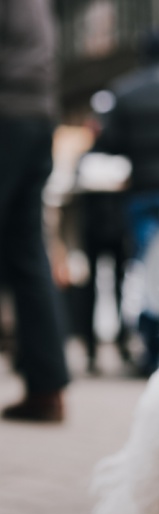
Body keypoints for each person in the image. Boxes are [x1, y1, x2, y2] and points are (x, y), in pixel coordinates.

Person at [93, 32, 159, 376]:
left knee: (147, 271)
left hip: (141, 193)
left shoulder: (124, 91)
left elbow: (109, 143)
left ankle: (151, 352)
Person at [0, 0, 69, 422]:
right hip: (39, 114)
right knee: (27, 254)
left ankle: (46, 388)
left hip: (5, 111)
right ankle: (47, 388)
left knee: (26, 253)